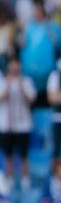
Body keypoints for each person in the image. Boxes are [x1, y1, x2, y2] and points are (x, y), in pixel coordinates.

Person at [0, 57, 36, 191]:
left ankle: (25, 183)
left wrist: (20, 86)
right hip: (6, 125)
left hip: (23, 125)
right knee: (8, 156)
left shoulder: (26, 81)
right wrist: (8, 86)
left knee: (24, 156)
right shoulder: (2, 81)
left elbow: (31, 99)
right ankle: (9, 182)